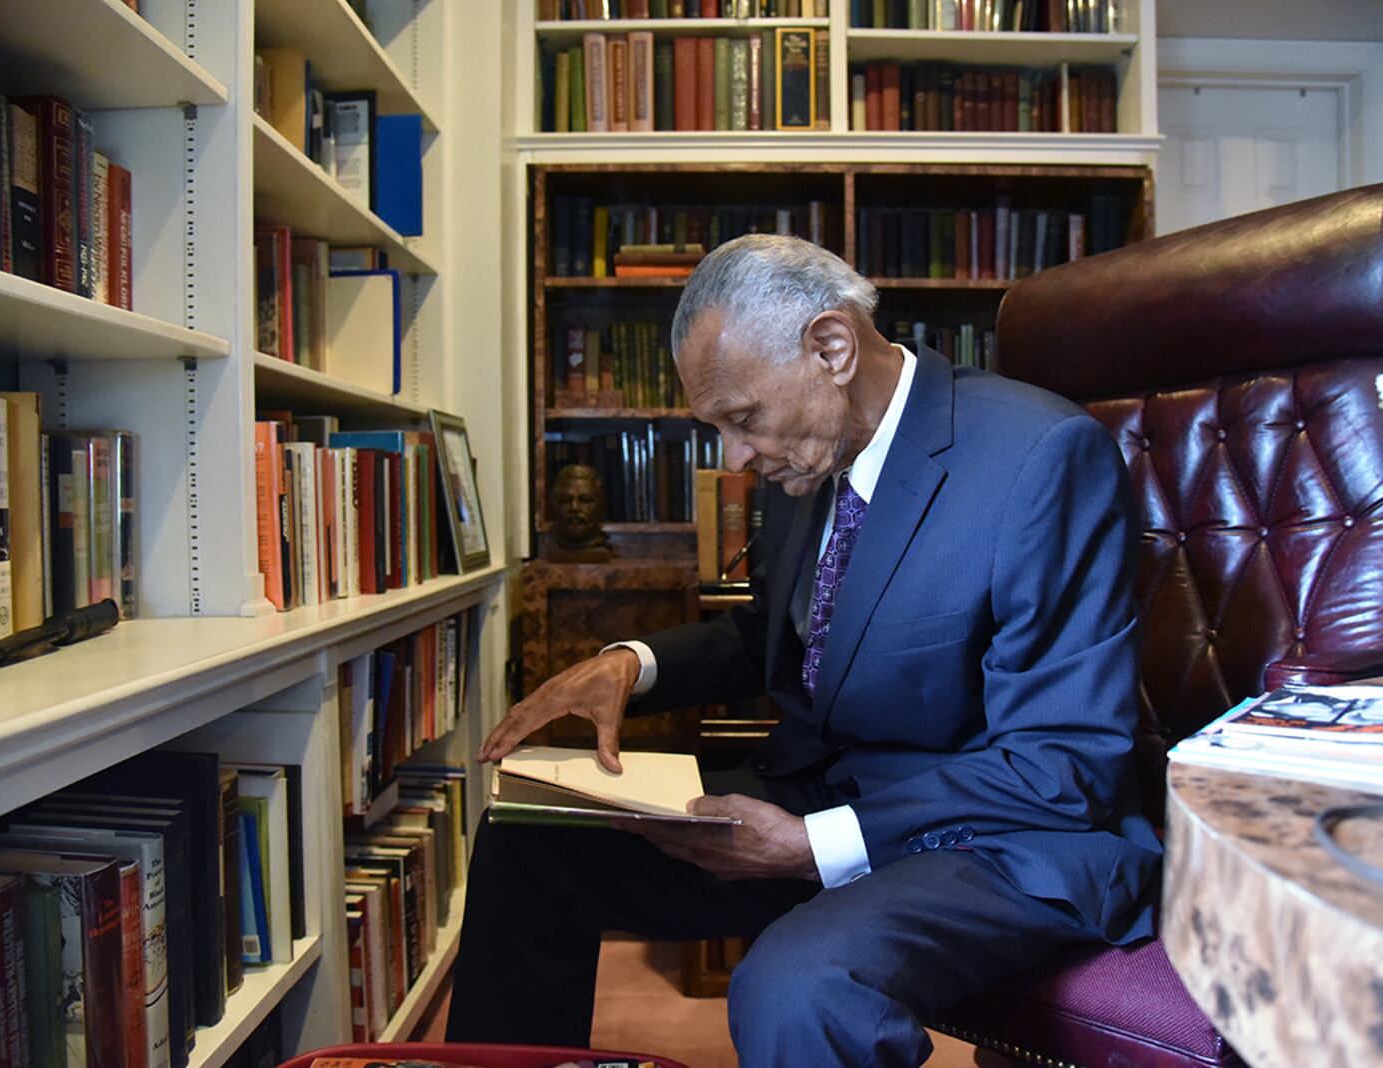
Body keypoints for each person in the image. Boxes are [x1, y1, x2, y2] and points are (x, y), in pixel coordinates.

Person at [446, 235, 1162, 1066]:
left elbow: (1060, 765)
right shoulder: (809, 460)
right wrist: (631, 664)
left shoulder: (1040, 458)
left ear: (831, 347)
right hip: (817, 793)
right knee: (527, 840)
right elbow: (779, 637)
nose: (735, 459)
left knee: (794, 989)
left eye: (742, 419)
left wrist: (814, 842)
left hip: (994, 836)